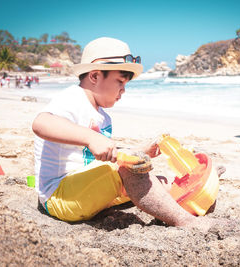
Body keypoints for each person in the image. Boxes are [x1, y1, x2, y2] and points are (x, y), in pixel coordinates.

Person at [32, 37, 216, 230]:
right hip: (59, 197)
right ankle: (185, 221)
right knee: (131, 169)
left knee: (159, 182)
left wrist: (140, 150)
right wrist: (91, 137)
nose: (123, 90)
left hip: (85, 191)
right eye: (119, 81)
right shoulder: (72, 99)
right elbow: (41, 123)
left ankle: (197, 197)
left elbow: (102, 159)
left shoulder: (103, 117)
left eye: (126, 84)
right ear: (94, 77)